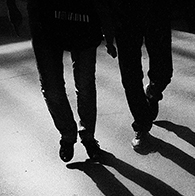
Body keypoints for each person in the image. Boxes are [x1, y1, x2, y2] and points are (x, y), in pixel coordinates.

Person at [6, 0, 117, 162]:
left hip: (75, 19)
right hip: (63, 19)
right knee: (57, 87)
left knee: (74, 85)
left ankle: (79, 136)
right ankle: (75, 136)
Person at [114, 0, 173, 152]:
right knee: (130, 74)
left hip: (157, 8)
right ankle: (141, 125)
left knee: (164, 71)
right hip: (125, 10)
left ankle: (153, 91)